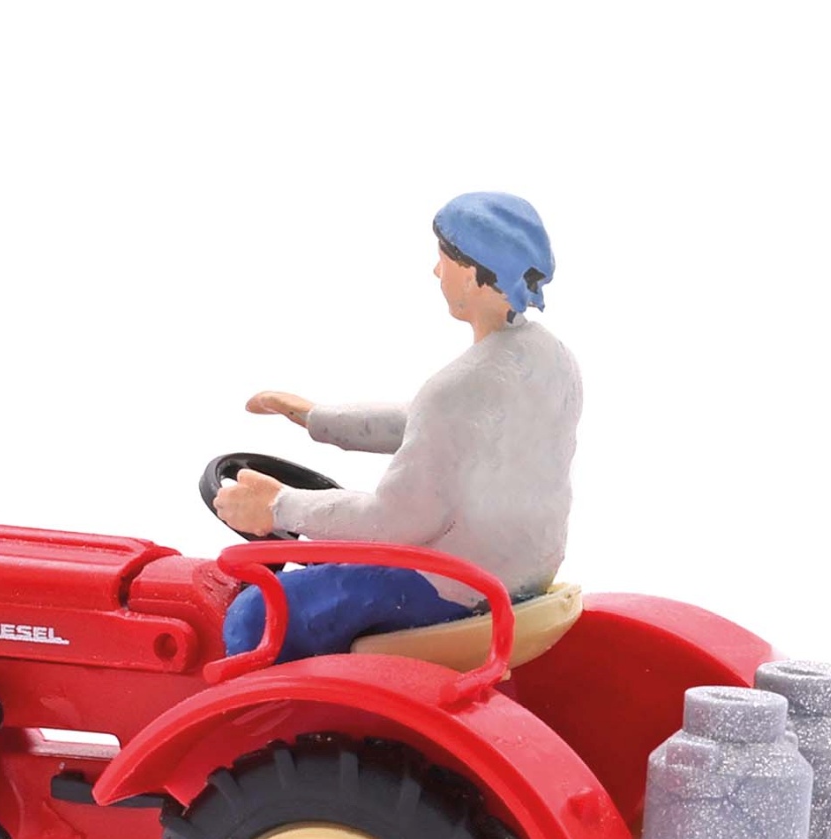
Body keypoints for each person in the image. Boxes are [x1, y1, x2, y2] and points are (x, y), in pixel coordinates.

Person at [217, 191, 583, 661]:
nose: (436, 272)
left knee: (255, 615)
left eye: (443, 260)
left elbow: (393, 522)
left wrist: (277, 507)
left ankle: (275, 707)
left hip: (453, 586)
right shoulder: (552, 359)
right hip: (521, 574)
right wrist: (315, 418)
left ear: (473, 273)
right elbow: (442, 426)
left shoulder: (458, 388)